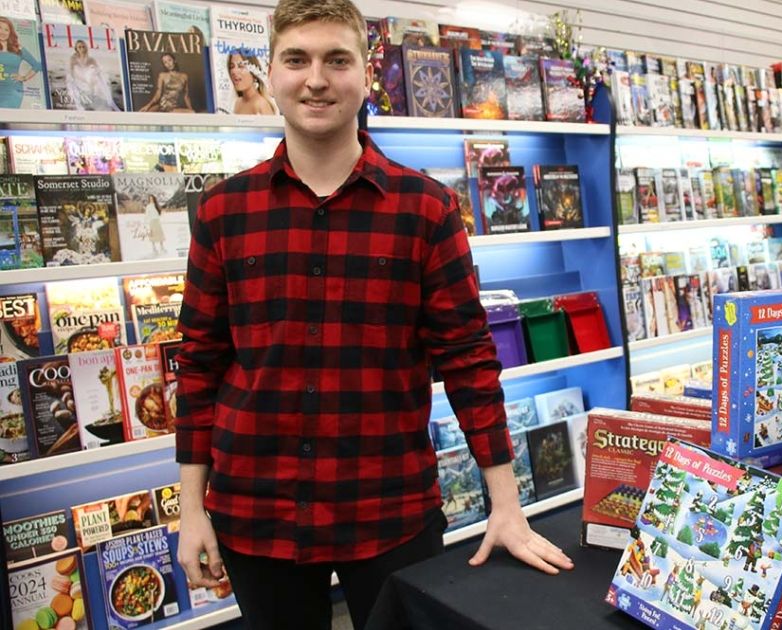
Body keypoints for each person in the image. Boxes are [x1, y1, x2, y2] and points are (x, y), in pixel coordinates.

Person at [173, 1, 572, 628]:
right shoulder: (224, 211)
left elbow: (468, 359)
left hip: (390, 507)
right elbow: (200, 364)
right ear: (271, 73)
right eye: (297, 60)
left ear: (367, 74)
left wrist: (506, 503)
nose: (316, 80)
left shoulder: (427, 209)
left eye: (337, 60)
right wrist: (191, 508)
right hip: (256, 511)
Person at [66, 39, 119, 111]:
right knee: (72, 84)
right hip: (77, 78)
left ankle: (106, 101)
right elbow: (71, 72)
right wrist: (79, 79)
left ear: (86, 48)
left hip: (87, 79)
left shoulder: (91, 59)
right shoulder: (73, 58)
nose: (82, 49)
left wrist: (93, 78)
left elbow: (98, 70)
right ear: (76, 49)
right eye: (79, 47)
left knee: (99, 79)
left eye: (83, 47)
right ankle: (80, 104)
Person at [0, 17, 41, 109]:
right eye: (0, 28)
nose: (2, 32)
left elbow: (37, 65)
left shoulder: (18, 48)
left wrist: (24, 77)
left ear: (10, 32)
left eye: (6, 29)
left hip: (12, 92)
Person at [226, 49, 277, 115]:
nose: (234, 71)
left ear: (254, 72)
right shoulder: (237, 103)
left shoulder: (261, 104)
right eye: (231, 67)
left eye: (241, 66)